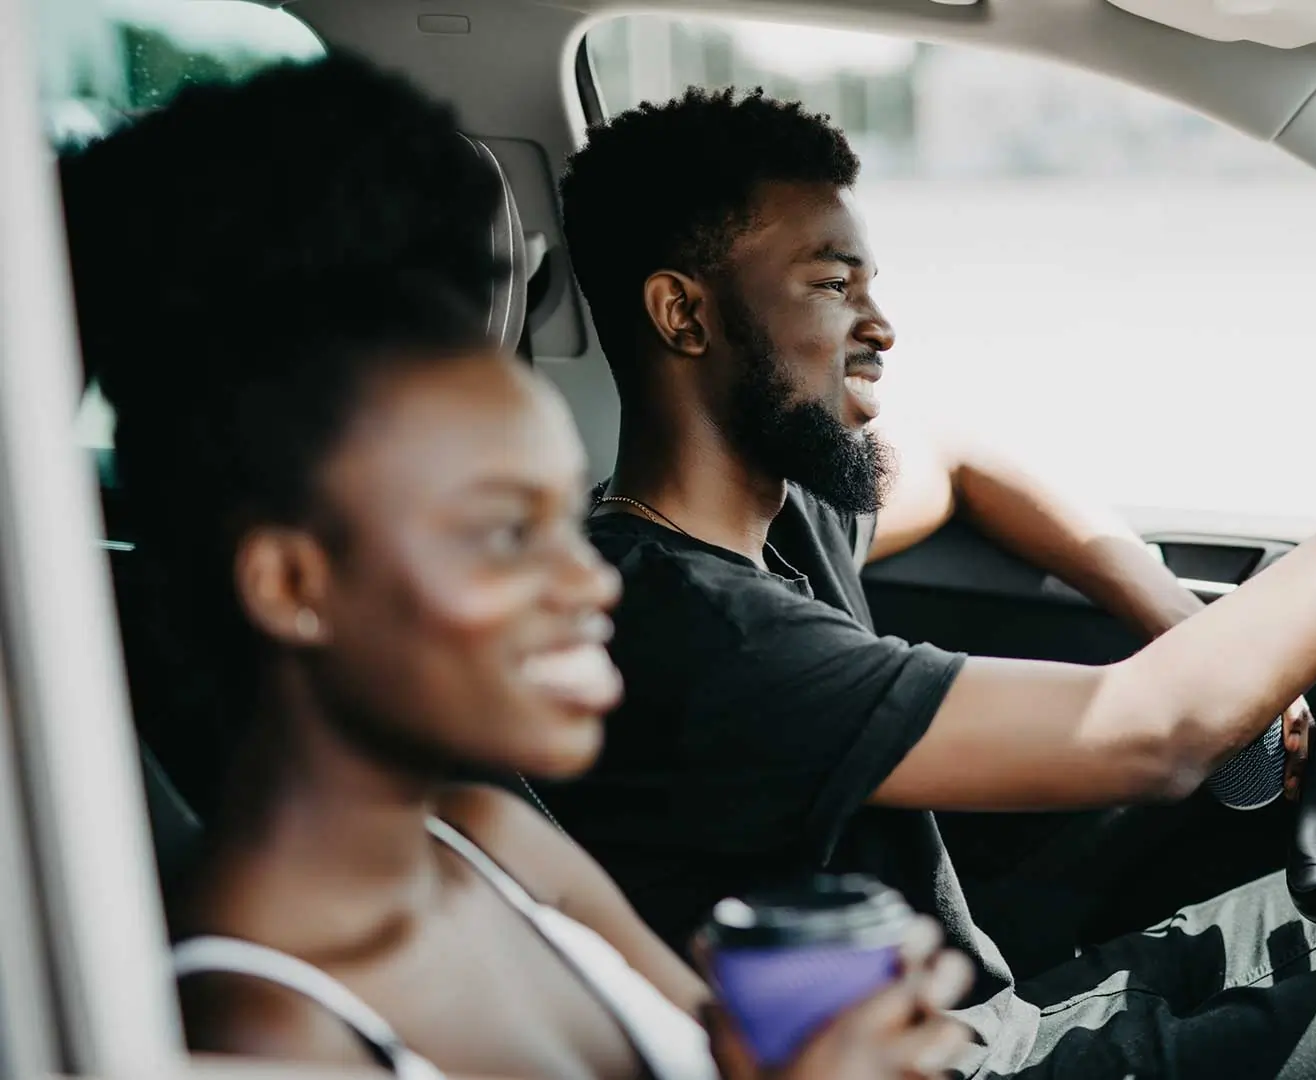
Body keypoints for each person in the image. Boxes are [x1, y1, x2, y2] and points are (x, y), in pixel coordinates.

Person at [549, 88, 1316, 1077]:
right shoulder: (687, 628)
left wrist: (1169, 607)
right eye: (832, 284)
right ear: (683, 313)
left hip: (985, 1017)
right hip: (948, 1064)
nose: (880, 325)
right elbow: (1154, 729)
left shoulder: (780, 516)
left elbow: (966, 460)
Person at [61, 57, 974, 1080]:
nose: (590, 579)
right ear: (290, 585)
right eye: (505, 534)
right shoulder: (256, 1033)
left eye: (561, 516)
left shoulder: (490, 841)